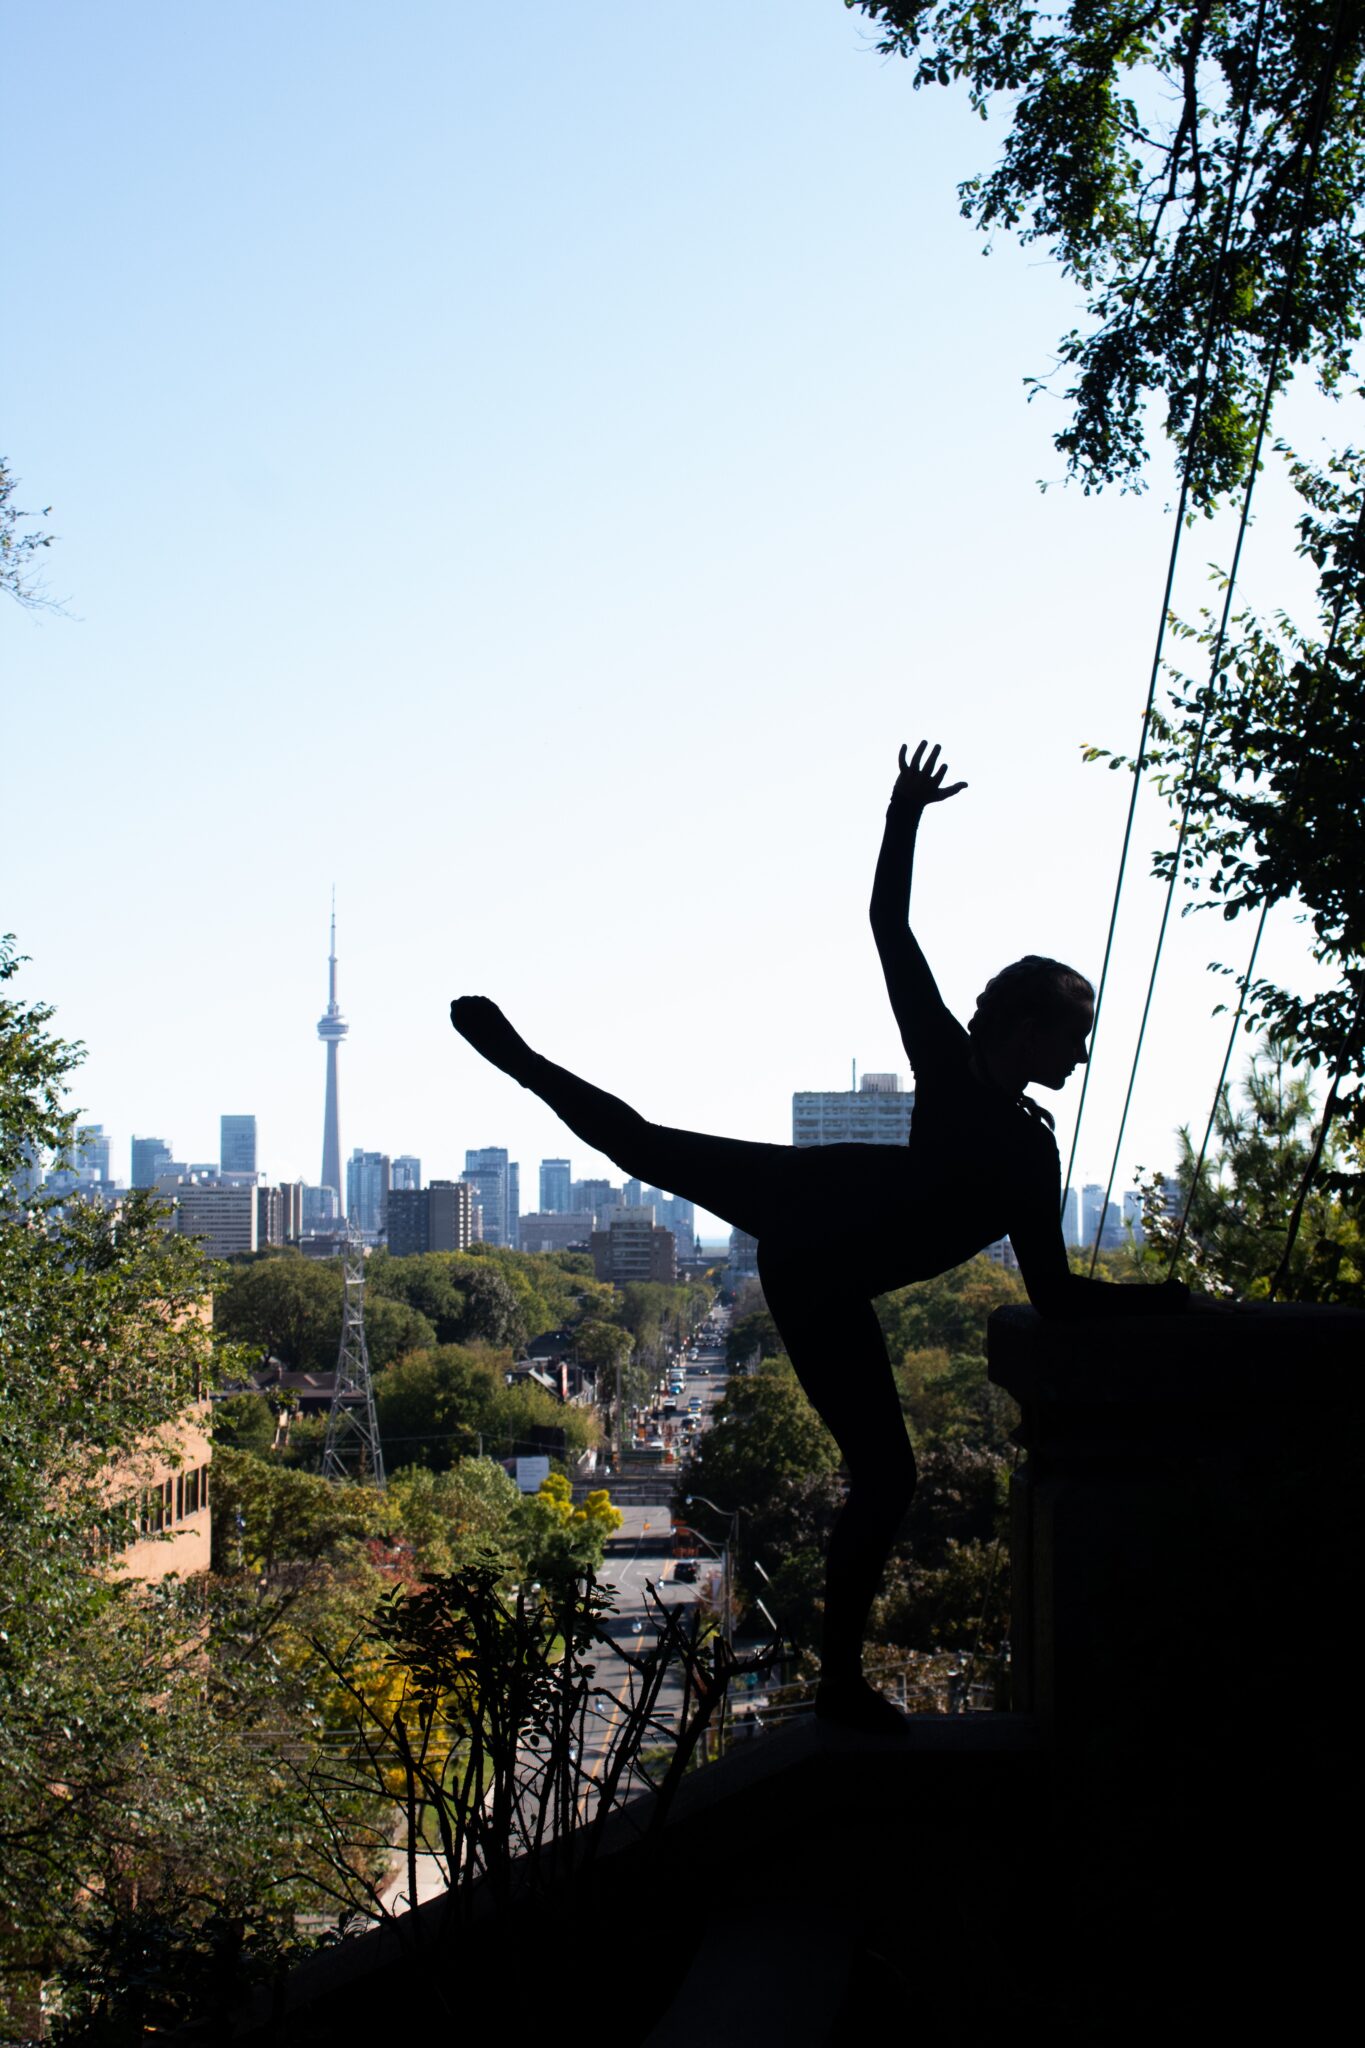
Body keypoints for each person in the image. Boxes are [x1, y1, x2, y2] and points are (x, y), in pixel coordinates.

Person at [449, 741, 1186, 1734]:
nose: (1084, 1049)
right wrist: (904, 811)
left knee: (888, 1473)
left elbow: (1054, 1293)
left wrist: (1163, 1300)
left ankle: (840, 1680)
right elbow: (888, 926)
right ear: (1020, 1030)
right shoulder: (963, 1077)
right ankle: (525, 1061)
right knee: (646, 1144)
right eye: (1071, 1030)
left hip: (820, 1265)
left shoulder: (1029, 1147)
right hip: (820, 1206)